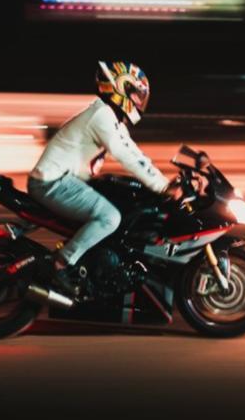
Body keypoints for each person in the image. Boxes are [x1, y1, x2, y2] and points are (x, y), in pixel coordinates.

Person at [27, 61, 179, 297]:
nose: (140, 101)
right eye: (136, 94)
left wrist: (167, 182)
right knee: (109, 217)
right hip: (52, 182)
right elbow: (126, 155)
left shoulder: (111, 117)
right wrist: (162, 186)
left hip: (68, 181)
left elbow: (134, 152)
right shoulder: (101, 116)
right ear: (120, 89)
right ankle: (62, 263)